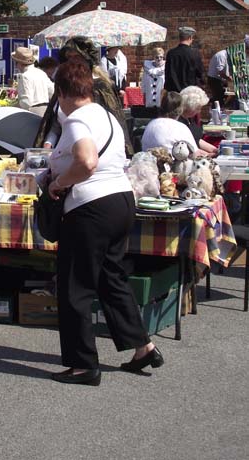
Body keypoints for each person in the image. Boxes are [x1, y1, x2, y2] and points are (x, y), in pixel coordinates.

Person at [48, 60, 163, 384]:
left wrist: (58, 184)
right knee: (111, 278)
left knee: (75, 286)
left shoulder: (76, 120)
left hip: (91, 205)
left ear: (61, 92)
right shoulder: (105, 114)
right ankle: (143, 346)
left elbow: (86, 161)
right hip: (121, 200)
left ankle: (83, 364)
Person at [34, 36, 134, 156]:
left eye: (76, 57)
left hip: (94, 154)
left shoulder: (101, 87)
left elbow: (112, 124)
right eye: (69, 57)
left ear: (86, 59)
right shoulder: (62, 84)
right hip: (61, 152)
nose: (72, 61)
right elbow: (55, 122)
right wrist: (48, 143)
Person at [11, 46, 54, 116]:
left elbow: (26, 102)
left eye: (16, 63)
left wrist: (11, 108)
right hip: (46, 111)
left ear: (19, 63)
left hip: (32, 113)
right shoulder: (41, 73)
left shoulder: (24, 76)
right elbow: (52, 92)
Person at [179, 86, 218, 157]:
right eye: (198, 108)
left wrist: (215, 150)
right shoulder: (180, 122)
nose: (199, 111)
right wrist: (207, 155)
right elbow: (189, 148)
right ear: (190, 107)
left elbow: (197, 139)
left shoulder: (190, 118)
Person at [164, 26, 204, 92]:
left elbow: (168, 73)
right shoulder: (195, 54)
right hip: (190, 92)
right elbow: (200, 73)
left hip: (174, 92)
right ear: (190, 38)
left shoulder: (171, 53)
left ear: (180, 38)